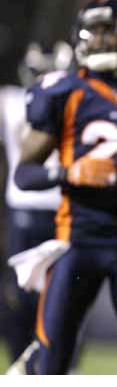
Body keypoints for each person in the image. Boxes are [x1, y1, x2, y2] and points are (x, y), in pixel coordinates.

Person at [8, 0, 117, 375]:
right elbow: (24, 174)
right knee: (54, 359)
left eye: (108, 31)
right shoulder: (63, 91)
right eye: (95, 32)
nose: (100, 41)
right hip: (80, 240)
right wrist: (69, 173)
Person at [0, 40, 73, 362]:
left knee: (31, 292)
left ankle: (28, 361)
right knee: (59, 293)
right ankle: (45, 363)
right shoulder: (78, 100)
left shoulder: (10, 100)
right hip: (57, 206)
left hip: (31, 208)